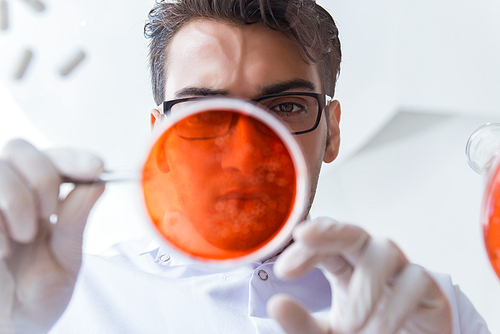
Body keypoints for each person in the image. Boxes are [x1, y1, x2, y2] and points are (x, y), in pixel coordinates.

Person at [0, 0, 490, 333]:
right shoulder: (60, 299)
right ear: (160, 139)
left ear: (332, 131)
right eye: (203, 113)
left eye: (284, 107)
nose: (243, 152)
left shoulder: (426, 309)